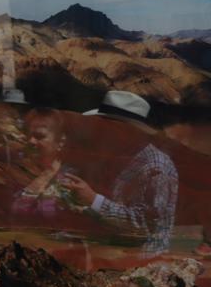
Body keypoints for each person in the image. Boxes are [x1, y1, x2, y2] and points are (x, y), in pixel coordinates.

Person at [57, 90, 178, 258]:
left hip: (140, 260)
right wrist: (84, 206)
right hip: (107, 252)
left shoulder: (155, 166)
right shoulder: (114, 154)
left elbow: (147, 225)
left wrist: (93, 200)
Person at [10, 108, 77, 221]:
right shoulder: (17, 171)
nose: (31, 141)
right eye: (28, 135)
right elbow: (14, 212)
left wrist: (47, 174)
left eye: (39, 136)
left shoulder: (72, 178)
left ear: (61, 141)